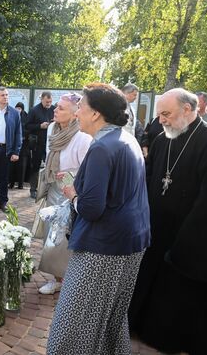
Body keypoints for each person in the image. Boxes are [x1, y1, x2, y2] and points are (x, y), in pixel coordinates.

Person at [47, 83, 150, 354]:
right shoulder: (126, 139)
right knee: (110, 316)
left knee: (76, 318)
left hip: (104, 245)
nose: (77, 112)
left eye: (81, 106)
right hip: (131, 240)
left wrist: (72, 194)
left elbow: (92, 209)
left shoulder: (102, 147)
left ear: (95, 114)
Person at [129, 88, 207, 355]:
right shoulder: (161, 140)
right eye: (160, 115)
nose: (162, 120)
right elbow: (148, 181)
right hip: (154, 230)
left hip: (188, 237)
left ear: (188, 110)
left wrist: (185, 244)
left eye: (166, 114)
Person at [37, 93, 91, 295]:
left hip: (71, 190)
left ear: (75, 114)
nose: (55, 110)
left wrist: (68, 184)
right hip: (53, 186)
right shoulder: (52, 128)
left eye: (60, 108)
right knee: (51, 234)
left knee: (66, 237)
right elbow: (49, 154)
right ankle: (56, 278)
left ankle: (70, 279)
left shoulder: (83, 136)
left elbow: (86, 169)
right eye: (56, 107)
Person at [26, 91, 55, 199]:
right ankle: (33, 189)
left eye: (50, 101)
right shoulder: (34, 110)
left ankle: (47, 189)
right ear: (42, 99)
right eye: (47, 101)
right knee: (35, 167)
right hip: (37, 143)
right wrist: (39, 126)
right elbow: (27, 126)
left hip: (50, 144)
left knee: (50, 166)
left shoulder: (53, 109)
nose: (49, 103)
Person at [8, 102, 29, 189]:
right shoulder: (12, 116)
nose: (18, 110)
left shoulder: (26, 118)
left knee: (22, 166)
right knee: (12, 165)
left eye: (19, 108)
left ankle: (20, 184)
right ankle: (11, 183)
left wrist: (22, 135)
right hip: (13, 145)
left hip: (24, 146)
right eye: (16, 108)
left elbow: (28, 129)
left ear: (22, 109)